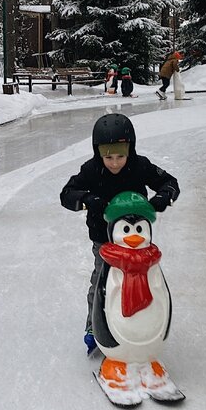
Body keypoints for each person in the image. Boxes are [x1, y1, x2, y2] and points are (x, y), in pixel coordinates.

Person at [60, 113, 180, 352]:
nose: (115, 163)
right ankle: (94, 325)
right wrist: (86, 199)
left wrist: (163, 197)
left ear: (130, 151)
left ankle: (146, 325)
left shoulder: (140, 166)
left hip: (136, 240)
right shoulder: (91, 170)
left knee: (145, 281)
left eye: (121, 156)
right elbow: (67, 193)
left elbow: (170, 182)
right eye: (108, 157)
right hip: (104, 241)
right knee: (102, 282)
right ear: (99, 153)